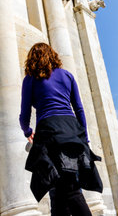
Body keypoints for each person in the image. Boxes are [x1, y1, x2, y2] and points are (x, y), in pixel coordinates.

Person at [19, 43, 103, 215]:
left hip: (49, 133)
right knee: (59, 190)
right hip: (72, 131)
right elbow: (79, 109)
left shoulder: (30, 79)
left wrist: (27, 131)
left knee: (67, 188)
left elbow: (24, 114)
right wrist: (84, 138)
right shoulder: (67, 75)